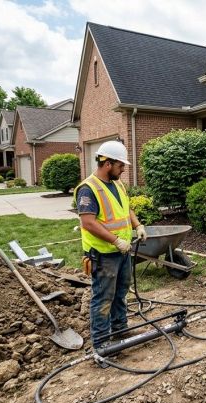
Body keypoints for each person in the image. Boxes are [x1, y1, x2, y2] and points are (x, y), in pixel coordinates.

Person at [75, 140, 147, 351]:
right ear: (107, 164)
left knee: (121, 292)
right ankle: (101, 344)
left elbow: (126, 208)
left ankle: (120, 329)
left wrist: (138, 225)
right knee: (103, 298)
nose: (123, 169)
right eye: (120, 165)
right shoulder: (88, 189)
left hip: (121, 251)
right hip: (103, 254)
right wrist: (115, 241)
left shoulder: (117, 184)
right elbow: (88, 222)